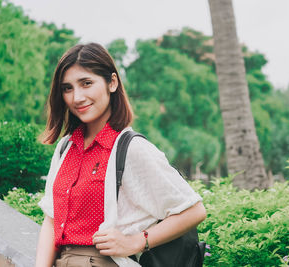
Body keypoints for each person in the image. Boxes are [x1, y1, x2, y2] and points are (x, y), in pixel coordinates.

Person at [35, 43, 206, 267]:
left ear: (112, 83)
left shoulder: (131, 148)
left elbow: (193, 210)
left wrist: (136, 242)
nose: (77, 97)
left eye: (86, 83)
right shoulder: (66, 147)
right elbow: (52, 219)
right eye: (67, 88)